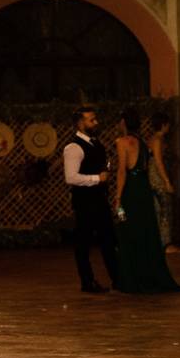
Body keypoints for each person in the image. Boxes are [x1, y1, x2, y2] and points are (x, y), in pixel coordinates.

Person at [113, 107, 180, 294]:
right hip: (143, 189)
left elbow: (122, 170)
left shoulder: (122, 142)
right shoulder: (143, 143)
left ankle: (133, 277)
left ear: (124, 123)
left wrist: (118, 197)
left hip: (131, 190)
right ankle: (149, 273)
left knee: (128, 231)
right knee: (146, 231)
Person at [63, 106, 119, 294]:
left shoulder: (96, 144)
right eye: (91, 120)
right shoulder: (73, 147)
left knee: (109, 240)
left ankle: (118, 279)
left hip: (99, 200)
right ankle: (87, 282)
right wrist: (97, 178)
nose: (96, 122)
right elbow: (70, 177)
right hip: (85, 202)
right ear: (80, 123)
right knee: (84, 243)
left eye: (95, 119)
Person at [148, 111, 180, 253]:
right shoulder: (158, 140)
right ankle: (166, 244)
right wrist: (166, 180)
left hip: (154, 179)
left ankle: (160, 243)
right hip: (158, 179)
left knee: (159, 210)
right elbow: (158, 161)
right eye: (168, 124)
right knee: (165, 210)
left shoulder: (153, 139)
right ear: (164, 125)